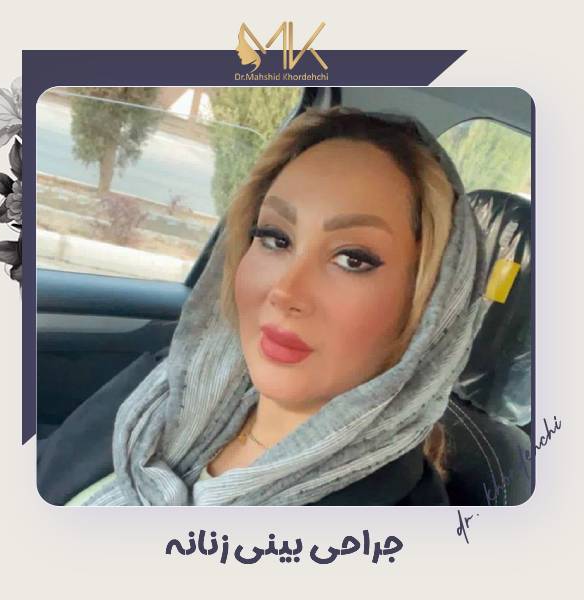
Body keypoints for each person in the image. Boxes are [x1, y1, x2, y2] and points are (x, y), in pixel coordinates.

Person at [37, 106, 486, 506]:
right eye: (275, 238)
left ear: (428, 308)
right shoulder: (170, 384)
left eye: (352, 259)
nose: (285, 291)